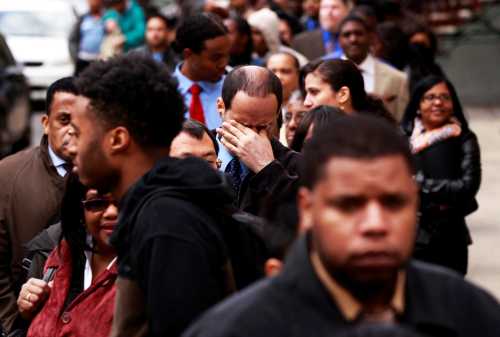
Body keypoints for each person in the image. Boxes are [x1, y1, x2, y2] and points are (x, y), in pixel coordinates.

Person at [182, 115, 500, 337]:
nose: (375, 224)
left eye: (393, 203)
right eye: (349, 205)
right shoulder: (237, 329)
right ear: (308, 209)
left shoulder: (471, 314)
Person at [71, 54, 235, 337]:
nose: (71, 147)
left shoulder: (167, 225)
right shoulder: (153, 212)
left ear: (117, 140)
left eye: (78, 133)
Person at [0, 78, 77, 333]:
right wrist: (13, 325)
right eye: (64, 121)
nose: (73, 130)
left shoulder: (107, 176)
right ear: (45, 124)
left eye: (82, 121)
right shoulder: (8, 176)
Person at [17, 175, 118, 337]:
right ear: (81, 211)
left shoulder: (148, 272)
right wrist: (28, 310)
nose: (112, 212)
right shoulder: (60, 253)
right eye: (97, 203)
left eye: (123, 202)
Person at [401, 76, 481, 275]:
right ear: (418, 104)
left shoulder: (464, 138)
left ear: (453, 104)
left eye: (445, 97)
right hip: (409, 234)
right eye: (430, 97)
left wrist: (420, 184)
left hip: (450, 237)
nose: (438, 102)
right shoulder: (402, 139)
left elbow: (468, 186)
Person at [216, 65, 301, 215]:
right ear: (221, 107)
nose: (251, 137)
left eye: (263, 126)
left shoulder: (295, 165)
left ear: (276, 114)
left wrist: (268, 168)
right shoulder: (197, 148)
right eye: (243, 125)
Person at [337, 15, 409, 121]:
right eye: (347, 35)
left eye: (359, 33)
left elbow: (402, 123)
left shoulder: (398, 79)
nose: (353, 39)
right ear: (339, 40)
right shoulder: (323, 75)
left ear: (371, 37)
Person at [173, 13, 231, 130]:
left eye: (227, 55)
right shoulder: (164, 93)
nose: (223, 64)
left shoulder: (234, 91)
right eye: (216, 58)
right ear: (188, 54)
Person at [69, 0, 106, 75]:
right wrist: (75, 57)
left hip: (101, 60)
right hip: (83, 60)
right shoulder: (83, 18)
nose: (92, 3)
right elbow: (73, 39)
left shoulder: (107, 18)